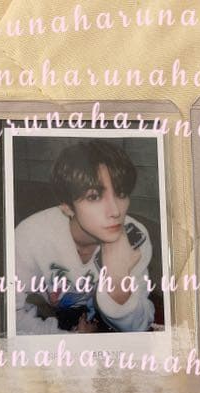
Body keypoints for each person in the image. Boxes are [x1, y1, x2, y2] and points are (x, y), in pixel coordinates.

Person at [14, 140, 155, 334]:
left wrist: (117, 282)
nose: (115, 211)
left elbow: (140, 326)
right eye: (94, 196)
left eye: (121, 193)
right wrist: (70, 340)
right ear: (67, 206)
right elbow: (11, 318)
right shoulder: (30, 236)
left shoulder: (135, 238)